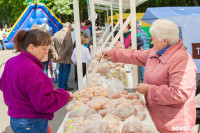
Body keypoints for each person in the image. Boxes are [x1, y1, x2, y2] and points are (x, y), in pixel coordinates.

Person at [101, 19, 196, 132]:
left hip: (174, 123)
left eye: (153, 38)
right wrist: (113, 53)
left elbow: (180, 93)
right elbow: (136, 55)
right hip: (159, 118)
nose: (152, 42)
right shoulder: (157, 51)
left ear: (165, 41)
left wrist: (149, 89)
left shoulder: (181, 60)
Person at [0, 29, 74, 133]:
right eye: (44, 49)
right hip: (31, 121)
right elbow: (43, 102)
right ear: (31, 48)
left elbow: (4, 86)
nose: (46, 52)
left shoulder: (11, 62)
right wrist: (64, 95)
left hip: (15, 119)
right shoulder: (32, 69)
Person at [52, 22, 74, 91]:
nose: (70, 30)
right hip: (65, 57)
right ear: (68, 28)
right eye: (70, 29)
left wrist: (56, 55)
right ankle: (64, 86)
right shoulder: (67, 34)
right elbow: (68, 46)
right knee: (65, 71)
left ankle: (60, 86)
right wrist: (61, 55)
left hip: (58, 57)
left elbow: (52, 46)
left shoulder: (56, 34)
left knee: (61, 71)